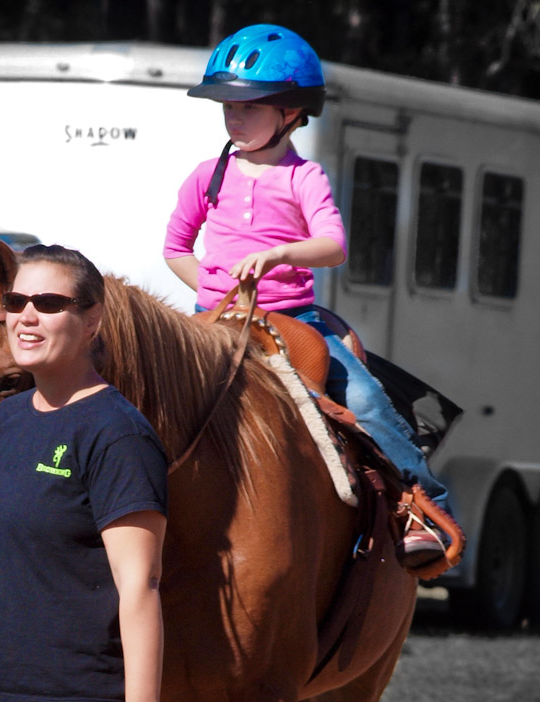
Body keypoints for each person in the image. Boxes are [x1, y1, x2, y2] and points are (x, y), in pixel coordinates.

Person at [163, 24, 450, 567]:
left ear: (291, 112)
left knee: (363, 399)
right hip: (214, 321)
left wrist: (279, 256)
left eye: (248, 106)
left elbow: (333, 246)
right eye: (227, 106)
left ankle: (421, 505)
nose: (233, 117)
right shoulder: (207, 176)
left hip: (294, 322)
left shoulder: (303, 177)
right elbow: (176, 247)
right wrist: (214, 290)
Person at [0, 245, 180, 702]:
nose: (26, 315)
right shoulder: (2, 420)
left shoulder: (118, 435)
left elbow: (140, 582)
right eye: (16, 300)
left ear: (92, 320)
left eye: (48, 302)